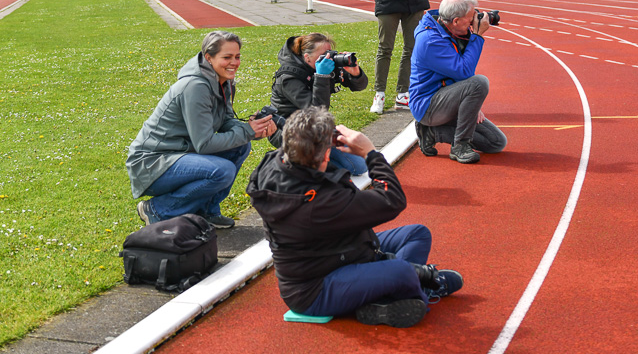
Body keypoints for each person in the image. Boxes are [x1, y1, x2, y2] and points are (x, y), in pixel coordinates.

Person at [247, 106, 463, 328]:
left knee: (417, 234)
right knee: (402, 271)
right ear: (327, 154)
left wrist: (318, 137)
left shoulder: (276, 164)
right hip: (315, 289)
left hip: (340, 251)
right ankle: (413, 290)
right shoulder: (321, 203)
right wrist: (370, 153)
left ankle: (389, 289)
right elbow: (393, 199)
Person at [126, 31, 277, 229]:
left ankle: (206, 210)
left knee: (241, 147)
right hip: (151, 163)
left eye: (237, 56)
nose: (234, 62)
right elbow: (204, 144)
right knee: (222, 171)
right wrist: (247, 131)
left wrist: (253, 128)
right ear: (209, 57)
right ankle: (157, 210)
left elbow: (225, 121)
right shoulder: (195, 86)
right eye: (227, 57)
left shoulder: (223, 80)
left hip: (181, 153)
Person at [409, 0, 507, 164]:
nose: (473, 23)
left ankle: (433, 133)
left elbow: (459, 74)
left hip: (449, 97)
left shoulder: (450, 29)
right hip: (428, 104)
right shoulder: (430, 40)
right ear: (455, 21)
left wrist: (472, 103)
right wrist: (477, 36)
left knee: (496, 142)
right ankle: (459, 146)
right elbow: (464, 71)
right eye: (470, 19)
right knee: (479, 82)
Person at [268, 32, 369, 175]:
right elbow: (317, 111)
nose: (328, 59)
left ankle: (307, 164)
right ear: (307, 57)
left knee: (359, 165)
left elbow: (359, 86)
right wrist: (321, 77)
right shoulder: (288, 77)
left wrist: (355, 73)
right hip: (288, 129)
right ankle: (291, 161)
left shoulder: (325, 66)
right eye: (322, 56)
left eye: (329, 53)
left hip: (315, 128)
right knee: (348, 168)